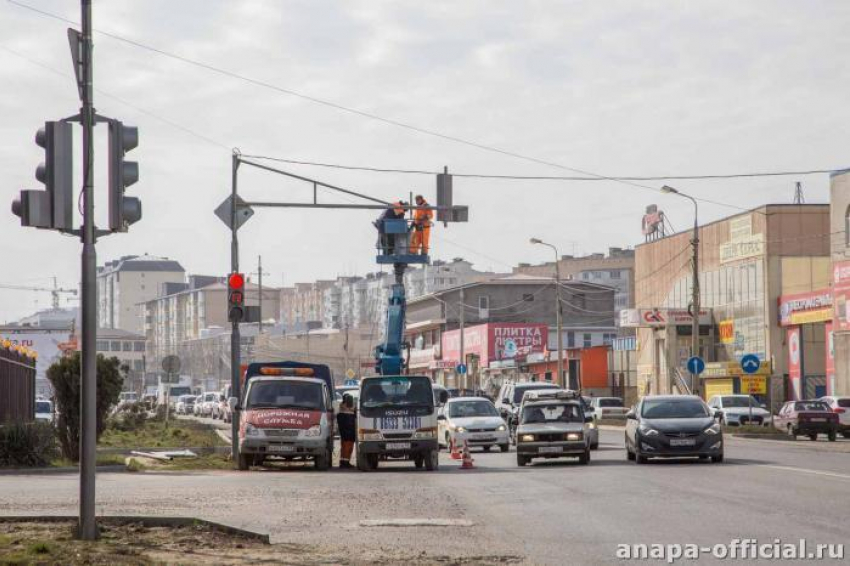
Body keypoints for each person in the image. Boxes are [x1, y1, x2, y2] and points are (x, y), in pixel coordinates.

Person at [336, 393, 357, 469]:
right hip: (349, 429)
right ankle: (346, 462)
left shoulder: (341, 407)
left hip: (343, 430)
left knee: (344, 445)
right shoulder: (350, 408)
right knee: (349, 445)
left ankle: (343, 462)